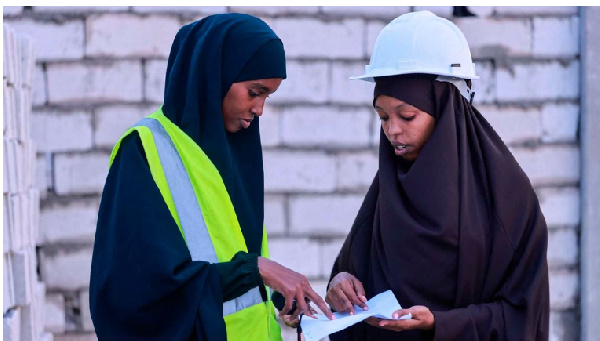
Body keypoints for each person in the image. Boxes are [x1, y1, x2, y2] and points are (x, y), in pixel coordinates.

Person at [89, 13, 332, 341]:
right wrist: (256, 270)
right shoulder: (144, 150)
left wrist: (280, 299)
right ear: (215, 76)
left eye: (267, 97)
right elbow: (136, 292)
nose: (259, 109)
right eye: (254, 92)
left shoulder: (236, 150)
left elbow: (229, 250)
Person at [325, 10, 549, 341]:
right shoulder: (386, 193)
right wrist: (340, 284)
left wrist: (440, 324)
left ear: (445, 113)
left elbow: (523, 315)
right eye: (383, 117)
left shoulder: (507, 202)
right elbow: (351, 280)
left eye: (407, 116)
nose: (392, 130)